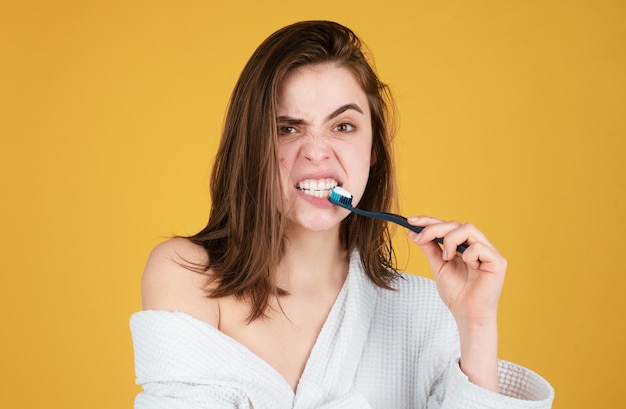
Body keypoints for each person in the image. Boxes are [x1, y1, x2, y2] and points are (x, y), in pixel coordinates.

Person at [130, 20, 554, 408]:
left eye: (343, 126)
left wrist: (476, 325)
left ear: (372, 151)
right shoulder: (186, 275)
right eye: (287, 128)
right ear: (251, 146)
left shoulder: (425, 310)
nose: (316, 151)